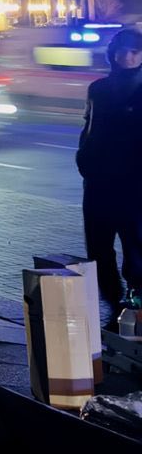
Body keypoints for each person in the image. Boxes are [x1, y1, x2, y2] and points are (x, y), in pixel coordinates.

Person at [76, 25, 142, 327]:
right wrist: (84, 158)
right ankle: (114, 303)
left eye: (134, 51)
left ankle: (134, 304)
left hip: (134, 184)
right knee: (99, 249)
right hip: (99, 182)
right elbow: (89, 128)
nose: (126, 56)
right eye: (121, 50)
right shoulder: (98, 89)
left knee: (136, 248)